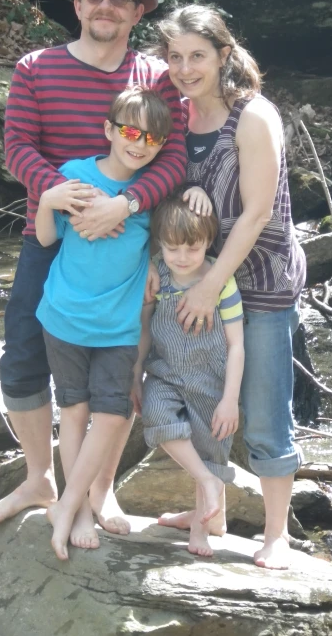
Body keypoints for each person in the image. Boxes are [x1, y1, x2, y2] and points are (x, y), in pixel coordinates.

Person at [0, 0, 186, 530]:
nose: (106, 6)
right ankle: (39, 478)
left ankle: (101, 491)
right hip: (48, 238)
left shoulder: (156, 79)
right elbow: (18, 148)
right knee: (23, 360)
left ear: (135, 13)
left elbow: (173, 158)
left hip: (128, 243)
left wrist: (124, 203)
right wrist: (74, 201)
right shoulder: (35, 68)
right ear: (77, 5)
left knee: (119, 373)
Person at [150, 5, 306, 570]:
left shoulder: (254, 116)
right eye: (175, 57)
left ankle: (276, 532)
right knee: (197, 398)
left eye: (198, 55)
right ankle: (208, 514)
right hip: (194, 284)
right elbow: (165, 194)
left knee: (263, 409)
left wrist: (209, 285)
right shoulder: (175, 114)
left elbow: (258, 211)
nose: (186, 68)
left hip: (258, 286)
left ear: (222, 54)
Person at [35, 86, 173, 560]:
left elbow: (151, 241)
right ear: (110, 131)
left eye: (151, 138)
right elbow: (46, 237)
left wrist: (153, 261)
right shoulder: (74, 175)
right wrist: (47, 199)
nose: (139, 144)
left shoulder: (148, 192)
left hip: (117, 325)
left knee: (114, 412)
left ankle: (75, 501)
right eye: (131, 132)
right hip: (65, 317)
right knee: (74, 411)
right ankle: (77, 510)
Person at [132, 189, 244, 557]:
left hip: (210, 379)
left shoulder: (220, 280)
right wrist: (136, 373)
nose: (181, 258)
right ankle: (207, 483)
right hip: (164, 372)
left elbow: (236, 345)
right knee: (156, 415)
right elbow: (145, 328)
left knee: (210, 447)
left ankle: (204, 525)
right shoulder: (157, 275)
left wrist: (230, 400)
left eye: (192, 249)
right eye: (172, 248)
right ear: (160, 244)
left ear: (208, 242)